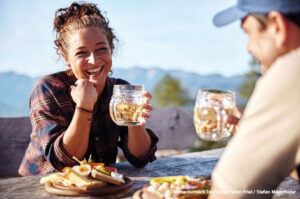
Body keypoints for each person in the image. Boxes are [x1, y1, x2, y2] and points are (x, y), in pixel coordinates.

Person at [18, 2, 158, 176]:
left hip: (97, 185)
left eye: (101, 49)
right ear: (66, 58)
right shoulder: (49, 88)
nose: (94, 60)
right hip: (41, 185)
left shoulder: (121, 91)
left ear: (111, 50)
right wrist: (84, 107)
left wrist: (135, 121)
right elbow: (64, 161)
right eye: (81, 53)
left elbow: (140, 158)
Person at [209, 0, 300, 198]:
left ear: (277, 25)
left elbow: (230, 194)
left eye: (248, 33)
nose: (248, 48)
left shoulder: (291, 72)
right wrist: (265, 136)